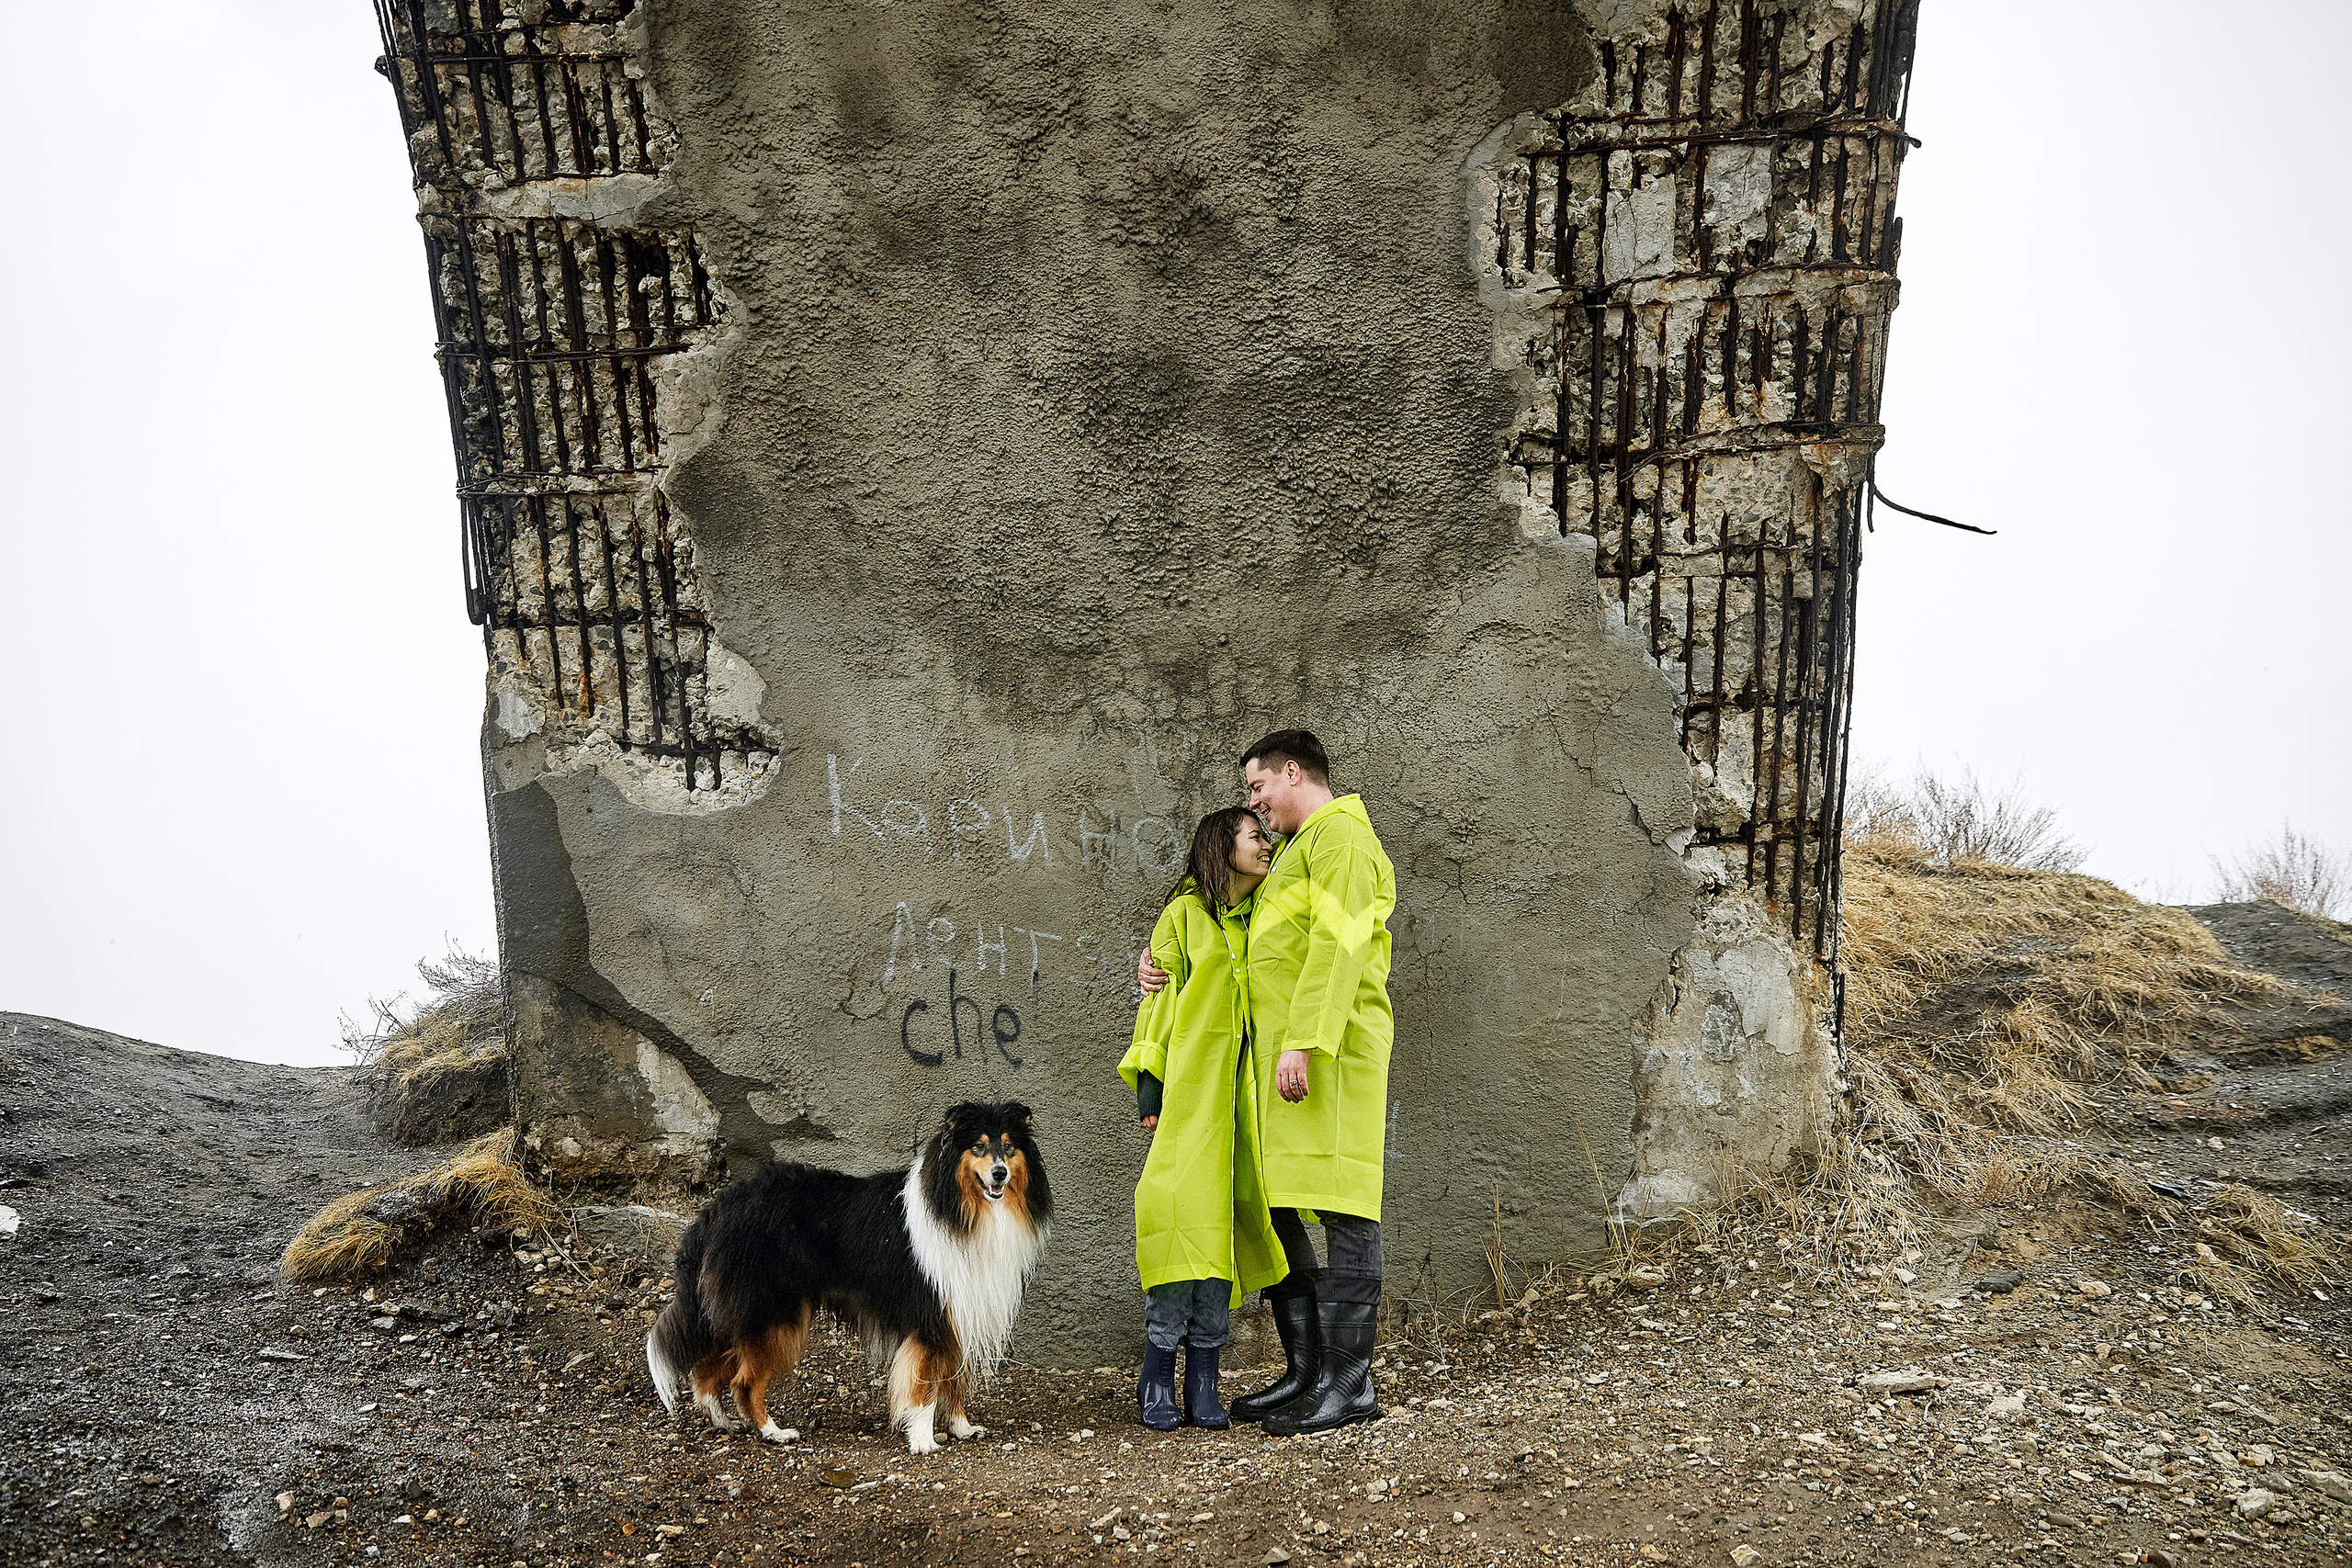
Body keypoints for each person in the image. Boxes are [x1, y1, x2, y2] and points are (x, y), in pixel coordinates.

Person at [1138, 728, 1396, 1436]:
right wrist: (1158, 954)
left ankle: (1350, 1384)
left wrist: (1307, 1041)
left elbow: (1339, 946)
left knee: (1346, 1212)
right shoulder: (1293, 855)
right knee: (1281, 1215)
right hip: (1281, 1074)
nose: (1252, 802)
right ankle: (1307, 1373)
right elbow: (1225, 911)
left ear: (1292, 772)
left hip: (1329, 1061)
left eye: (1257, 788)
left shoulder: (1341, 839)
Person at [1117, 806, 1288, 1431]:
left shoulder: (1262, 910)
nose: (1266, 844)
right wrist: (1150, 1089)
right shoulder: (1182, 918)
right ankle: (1157, 1377)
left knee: (1220, 1248)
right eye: (1254, 836)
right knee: (1180, 1231)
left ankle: (1204, 1381)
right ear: (1222, 848)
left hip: (1245, 1111)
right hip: (1191, 1103)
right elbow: (1156, 1013)